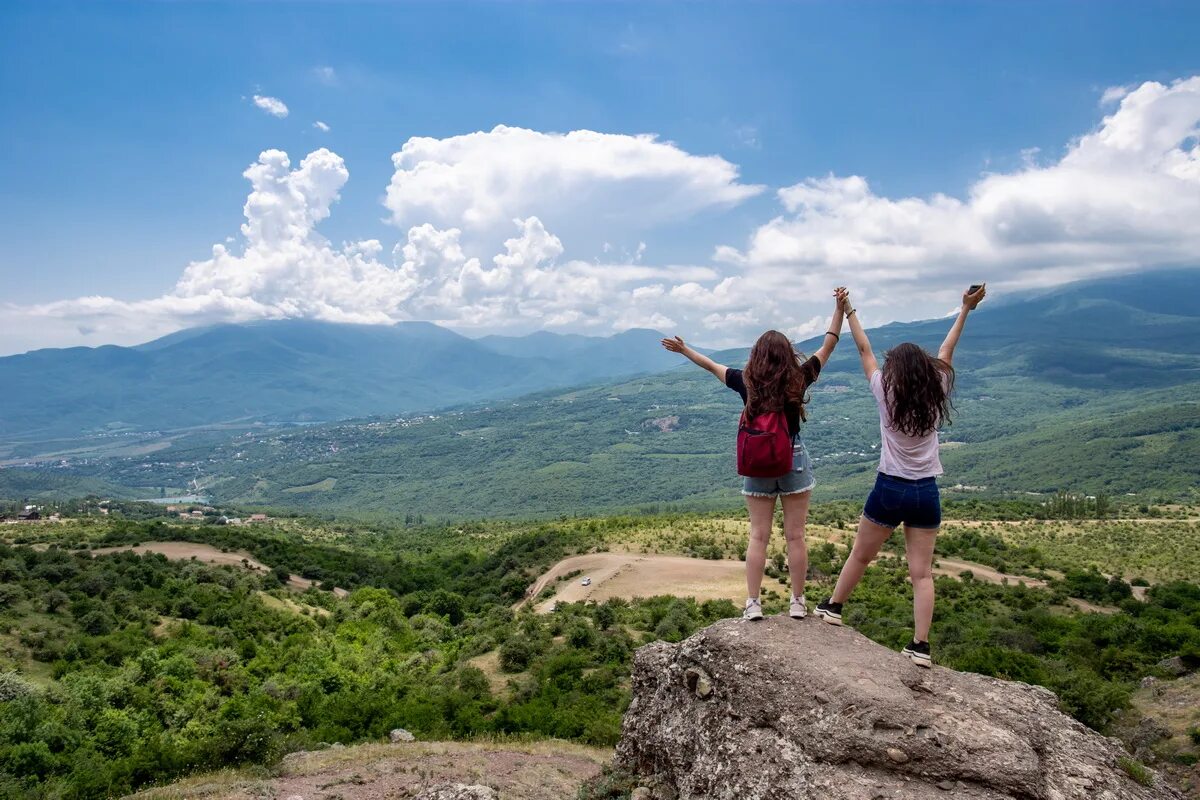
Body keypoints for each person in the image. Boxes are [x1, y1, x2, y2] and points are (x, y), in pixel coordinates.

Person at [815, 284, 987, 667]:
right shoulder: (937, 387)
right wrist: (964, 309)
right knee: (921, 574)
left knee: (861, 555)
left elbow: (864, 350)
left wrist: (849, 310)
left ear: (894, 371)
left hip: (890, 486)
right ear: (925, 370)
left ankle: (834, 607)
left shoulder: (884, 390)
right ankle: (920, 646)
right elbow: (947, 350)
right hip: (927, 491)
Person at [661, 288, 848, 621]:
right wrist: (839, 308)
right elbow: (829, 343)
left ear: (758, 355)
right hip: (793, 459)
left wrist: (684, 348)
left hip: (757, 464)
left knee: (758, 535)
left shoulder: (745, 382)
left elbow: (710, 365)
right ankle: (797, 601)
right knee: (795, 535)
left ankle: (752, 604)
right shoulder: (798, 379)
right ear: (786, 355)